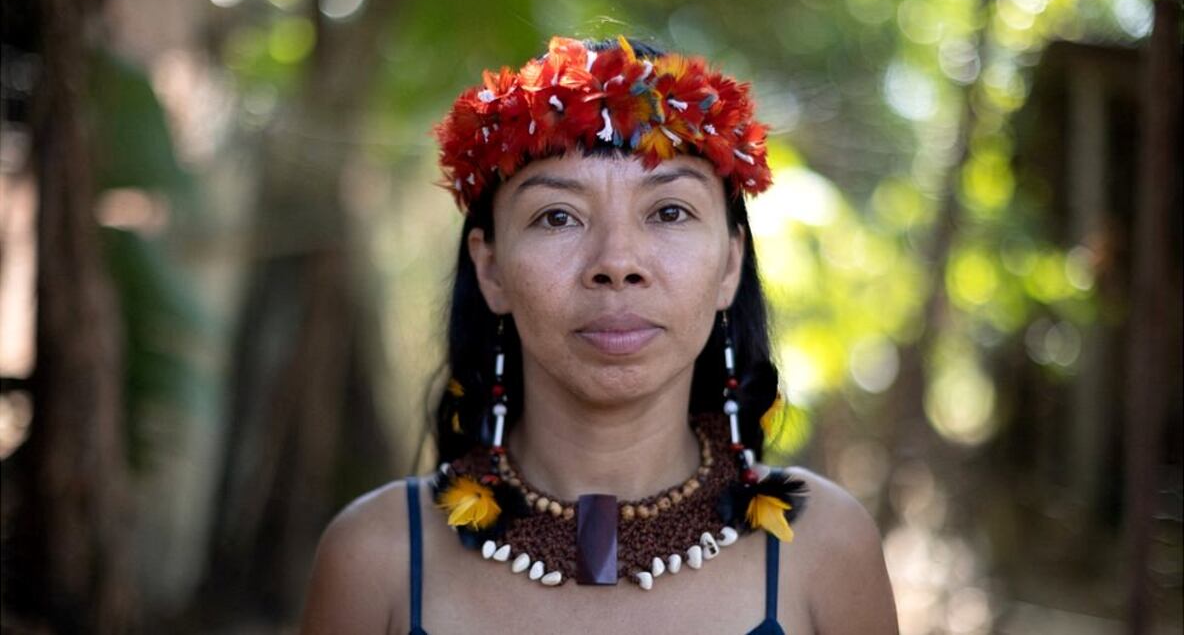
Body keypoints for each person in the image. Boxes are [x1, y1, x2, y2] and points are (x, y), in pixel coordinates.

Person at [300, 36, 898, 634]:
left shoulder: (822, 549)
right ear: (491, 270)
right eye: (557, 216)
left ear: (729, 265)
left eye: (669, 212)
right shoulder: (375, 558)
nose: (617, 261)